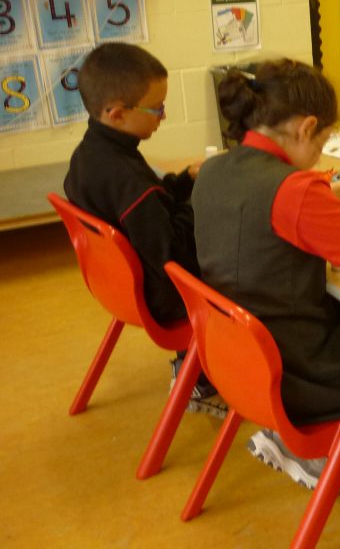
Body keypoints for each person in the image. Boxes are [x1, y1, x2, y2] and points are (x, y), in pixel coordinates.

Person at [191, 58, 340, 491]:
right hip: (301, 374)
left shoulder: (212, 170)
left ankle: (306, 441)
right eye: (321, 142)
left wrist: (334, 192)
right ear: (306, 128)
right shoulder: (296, 190)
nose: (320, 154)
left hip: (240, 358)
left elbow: (265, 209)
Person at [63, 42, 224, 417]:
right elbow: (174, 254)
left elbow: (151, 206)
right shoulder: (129, 180)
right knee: (251, 260)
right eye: (157, 108)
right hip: (164, 297)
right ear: (118, 114)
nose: (164, 115)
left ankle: (197, 369)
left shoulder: (89, 155)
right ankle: (201, 378)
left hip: (117, 285)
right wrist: (202, 199)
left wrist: (184, 181)